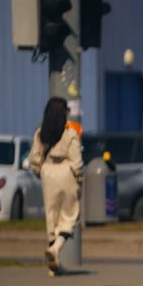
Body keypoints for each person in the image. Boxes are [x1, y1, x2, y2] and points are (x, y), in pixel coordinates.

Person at [28, 97, 83, 276]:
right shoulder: (70, 133)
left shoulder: (40, 132)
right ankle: (56, 248)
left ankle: (54, 266)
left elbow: (34, 158)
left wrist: (41, 172)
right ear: (64, 113)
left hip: (47, 172)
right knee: (70, 216)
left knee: (52, 217)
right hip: (66, 172)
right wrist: (79, 179)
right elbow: (77, 162)